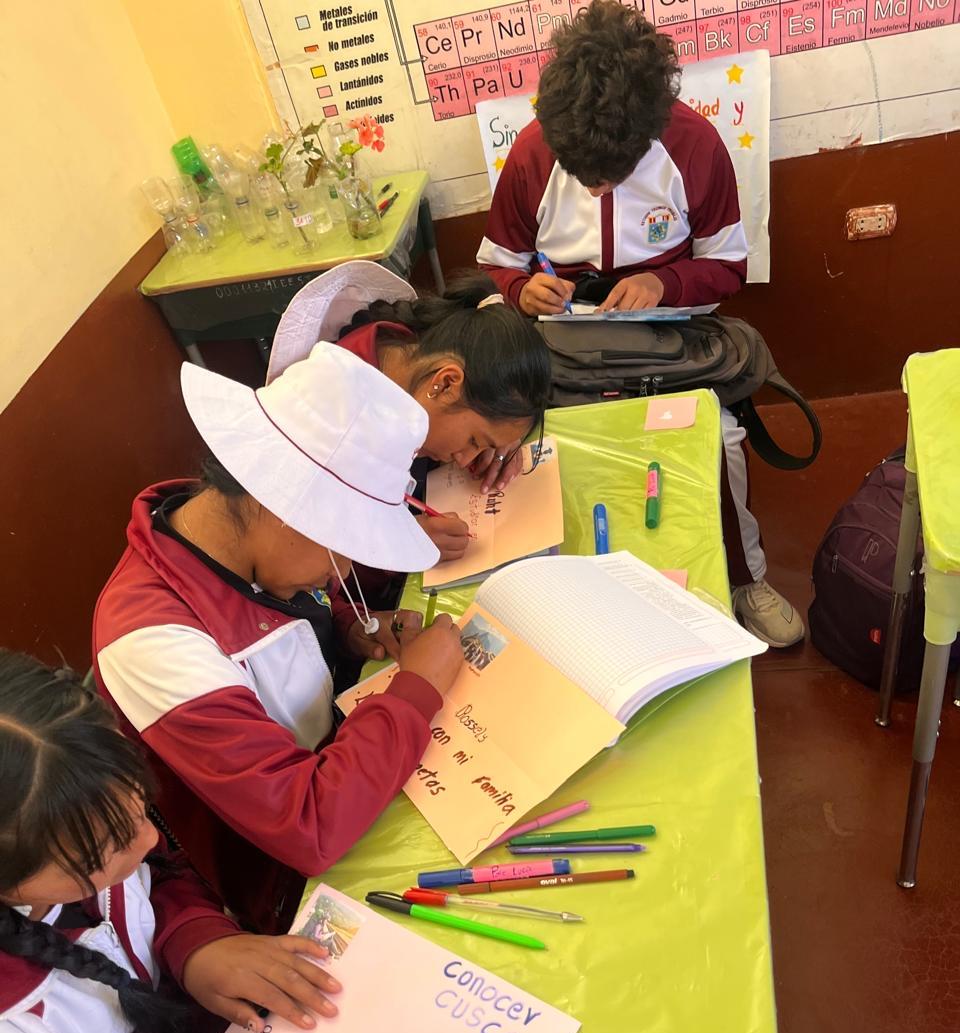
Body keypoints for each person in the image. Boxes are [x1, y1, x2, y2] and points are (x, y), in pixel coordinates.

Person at [0, 650, 491, 1033]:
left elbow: (156, 878)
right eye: (107, 850)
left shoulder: (71, 830)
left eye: (140, 805)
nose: (148, 840)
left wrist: (194, 941)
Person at [93, 342, 465, 934]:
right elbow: (308, 826)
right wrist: (415, 690)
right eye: (344, 547)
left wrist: (347, 629)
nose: (345, 571)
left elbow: (280, 613)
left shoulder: (232, 536)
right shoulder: (154, 643)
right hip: (284, 891)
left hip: (347, 771)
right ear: (286, 507)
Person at [477, 0, 804, 647]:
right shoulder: (535, 152)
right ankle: (574, 596)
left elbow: (728, 266)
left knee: (721, 440)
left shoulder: (694, 145)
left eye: (611, 176)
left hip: (667, 341)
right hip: (567, 345)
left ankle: (745, 580)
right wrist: (520, 290)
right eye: (582, 174)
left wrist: (665, 283)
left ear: (649, 133)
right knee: (544, 443)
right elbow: (497, 264)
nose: (595, 190)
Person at [266, 261, 552, 563]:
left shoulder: (421, 353)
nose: (466, 459)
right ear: (446, 383)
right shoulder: (335, 418)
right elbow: (307, 556)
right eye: (473, 441)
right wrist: (398, 541)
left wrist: (505, 442)